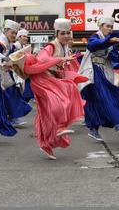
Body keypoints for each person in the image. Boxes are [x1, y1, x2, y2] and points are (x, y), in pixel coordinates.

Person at [20, 18, 86, 159]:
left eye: (68, 33)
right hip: (42, 79)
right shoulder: (51, 46)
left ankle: (46, 144)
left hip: (51, 79)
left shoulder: (64, 47)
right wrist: (59, 60)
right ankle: (60, 126)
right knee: (60, 102)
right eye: (63, 33)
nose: (67, 36)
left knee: (48, 114)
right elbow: (43, 59)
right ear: (57, 34)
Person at [77, 16, 119, 141]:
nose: (109, 29)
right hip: (93, 70)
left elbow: (116, 59)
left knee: (96, 100)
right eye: (107, 26)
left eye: (111, 27)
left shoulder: (110, 43)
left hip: (102, 71)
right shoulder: (96, 37)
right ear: (101, 26)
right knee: (107, 94)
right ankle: (115, 122)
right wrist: (110, 40)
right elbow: (92, 46)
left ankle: (94, 129)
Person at [6, 28, 33, 126]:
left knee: (21, 95)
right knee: (15, 96)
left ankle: (12, 116)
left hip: (20, 73)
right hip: (13, 74)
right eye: (24, 36)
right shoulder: (15, 45)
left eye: (26, 36)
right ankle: (12, 117)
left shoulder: (24, 46)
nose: (26, 38)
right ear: (19, 37)